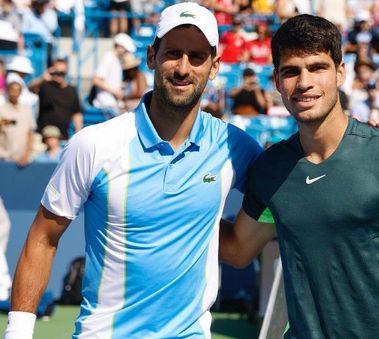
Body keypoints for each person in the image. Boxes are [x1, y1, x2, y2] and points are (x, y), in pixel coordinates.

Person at [4, 2, 262, 338]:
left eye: (197, 56)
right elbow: (43, 237)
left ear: (214, 66)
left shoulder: (234, 145)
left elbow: (283, 191)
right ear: (152, 56)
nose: (183, 67)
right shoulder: (94, 144)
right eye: (173, 53)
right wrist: (17, 333)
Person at [220, 14, 379, 338]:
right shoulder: (271, 168)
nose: (304, 82)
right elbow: (237, 249)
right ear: (276, 81)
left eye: (317, 67)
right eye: (291, 71)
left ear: (340, 73)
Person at [28, 57, 82, 140]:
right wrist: (43, 78)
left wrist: (78, 133)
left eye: (62, 72)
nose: (59, 74)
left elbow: (77, 113)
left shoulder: (72, 90)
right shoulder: (45, 86)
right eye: (57, 71)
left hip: (62, 136)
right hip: (43, 136)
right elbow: (31, 87)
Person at [91, 33, 136, 116]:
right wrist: (116, 91)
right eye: (125, 49)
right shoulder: (108, 57)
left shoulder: (115, 60)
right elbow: (96, 80)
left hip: (110, 104)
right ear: (119, 46)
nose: (126, 52)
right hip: (106, 105)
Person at [0, 74, 35, 167]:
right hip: (4, 158)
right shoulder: (1, 110)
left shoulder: (27, 110)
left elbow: (30, 135)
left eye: (17, 90)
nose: (14, 93)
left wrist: (26, 155)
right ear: (7, 91)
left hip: (22, 160)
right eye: (12, 90)